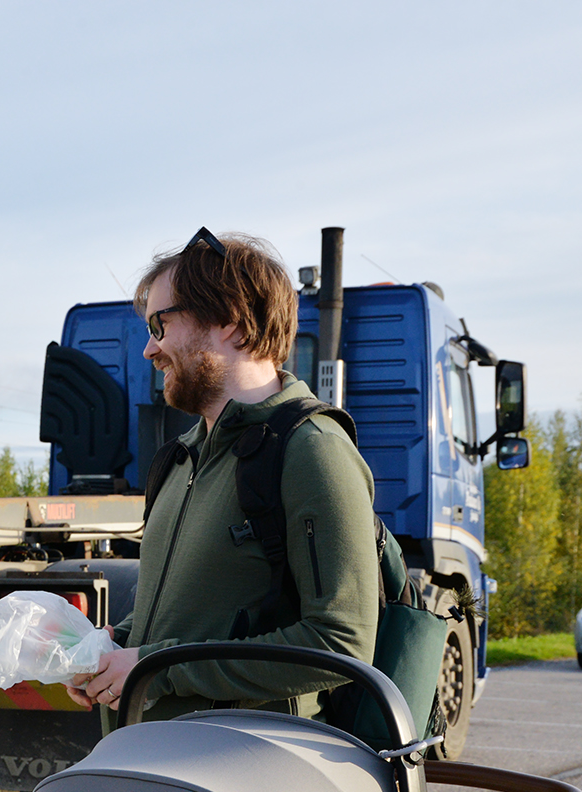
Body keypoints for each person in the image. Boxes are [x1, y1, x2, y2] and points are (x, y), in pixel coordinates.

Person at [68, 228, 378, 730]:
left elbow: (341, 641)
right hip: (147, 766)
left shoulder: (312, 449)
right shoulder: (180, 458)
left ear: (231, 323)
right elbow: (185, 622)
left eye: (160, 323)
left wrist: (155, 669)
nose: (149, 349)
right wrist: (111, 651)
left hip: (242, 776)